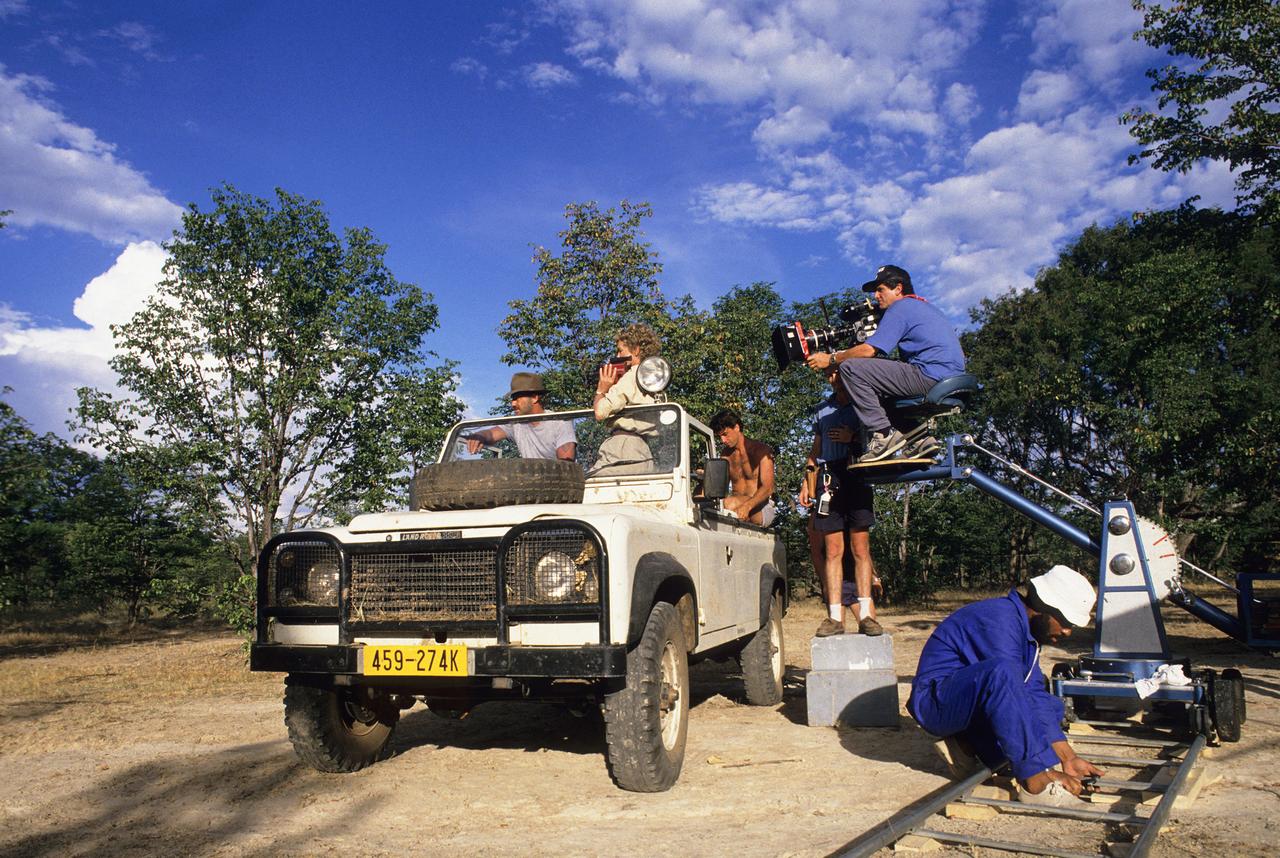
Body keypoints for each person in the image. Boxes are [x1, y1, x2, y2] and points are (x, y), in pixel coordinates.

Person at [907, 565, 1106, 808]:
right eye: (1064, 621)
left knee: (1049, 705)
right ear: (1044, 607)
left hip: (964, 705)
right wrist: (1042, 769)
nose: (1067, 631)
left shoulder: (1024, 631)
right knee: (1005, 675)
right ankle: (1035, 784)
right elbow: (1007, 686)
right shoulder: (998, 619)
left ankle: (964, 745)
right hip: (935, 704)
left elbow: (1031, 693)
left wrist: (1067, 758)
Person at [806, 265, 966, 463]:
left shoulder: (900, 307)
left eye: (880, 289)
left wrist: (830, 359)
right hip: (950, 377)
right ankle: (920, 440)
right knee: (878, 387)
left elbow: (868, 350)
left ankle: (882, 436)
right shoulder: (924, 307)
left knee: (851, 368)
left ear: (898, 289)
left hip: (930, 376)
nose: (875, 296)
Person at [799, 363, 882, 637]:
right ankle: (834, 617)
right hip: (828, 476)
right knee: (833, 550)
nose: (832, 379)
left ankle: (867, 616)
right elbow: (816, 448)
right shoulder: (822, 409)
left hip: (857, 472)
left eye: (835, 373)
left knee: (860, 548)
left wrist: (854, 437)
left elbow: (881, 439)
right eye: (829, 375)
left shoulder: (864, 402)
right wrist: (806, 480)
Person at [592, 323, 661, 476]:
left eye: (620, 350)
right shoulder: (652, 379)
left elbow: (600, 412)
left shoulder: (631, 376)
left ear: (635, 350)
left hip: (622, 448)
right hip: (644, 452)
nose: (617, 356)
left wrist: (601, 390)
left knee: (586, 487)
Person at [465, 372, 576, 461]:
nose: (513, 404)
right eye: (513, 398)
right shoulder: (516, 423)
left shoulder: (560, 422)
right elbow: (492, 434)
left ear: (534, 398)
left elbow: (565, 465)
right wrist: (479, 436)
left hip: (556, 484)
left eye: (517, 397)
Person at [709, 409, 776, 526]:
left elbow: (768, 488)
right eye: (720, 437)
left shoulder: (761, 451)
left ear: (736, 428)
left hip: (762, 507)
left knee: (729, 504)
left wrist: (747, 506)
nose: (723, 440)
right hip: (735, 506)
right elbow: (720, 487)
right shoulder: (726, 455)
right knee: (703, 501)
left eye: (725, 434)